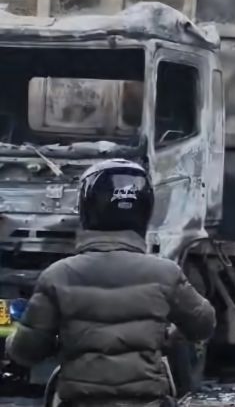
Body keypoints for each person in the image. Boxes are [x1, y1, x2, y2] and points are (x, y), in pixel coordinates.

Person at [6, 159, 216, 407]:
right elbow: (203, 324)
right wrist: (169, 336)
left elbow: (26, 352)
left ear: (87, 208)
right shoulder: (166, 273)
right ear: (145, 210)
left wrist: (30, 339)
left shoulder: (58, 275)